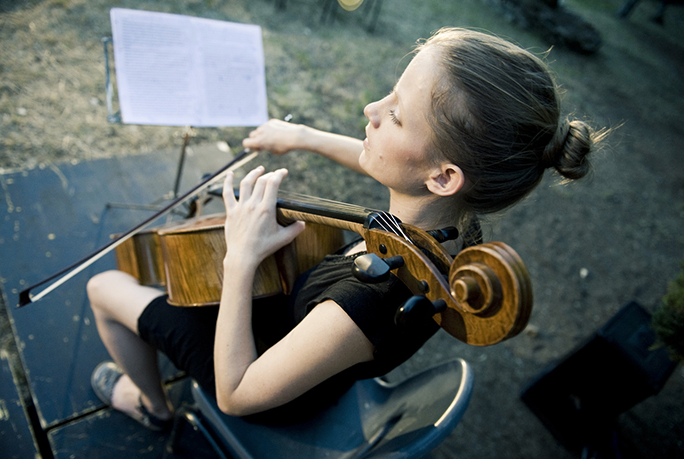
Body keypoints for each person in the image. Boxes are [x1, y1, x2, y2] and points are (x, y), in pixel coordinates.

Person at [87, 27, 604, 429]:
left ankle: (152, 407)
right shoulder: (452, 232)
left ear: (444, 176)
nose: (371, 110)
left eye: (396, 116)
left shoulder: (361, 303)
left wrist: (240, 258)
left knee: (104, 286)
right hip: (300, 332)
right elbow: (387, 166)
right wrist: (305, 136)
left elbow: (237, 394)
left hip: (266, 372)